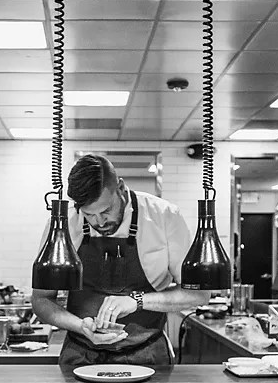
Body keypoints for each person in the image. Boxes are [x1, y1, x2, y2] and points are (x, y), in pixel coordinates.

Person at [32, 154, 210, 371]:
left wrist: (137, 301)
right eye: (89, 214)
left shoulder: (164, 216)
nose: (99, 222)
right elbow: (41, 300)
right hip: (80, 354)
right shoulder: (64, 223)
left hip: (148, 355)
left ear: (121, 188)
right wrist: (80, 326)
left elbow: (199, 294)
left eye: (106, 210)